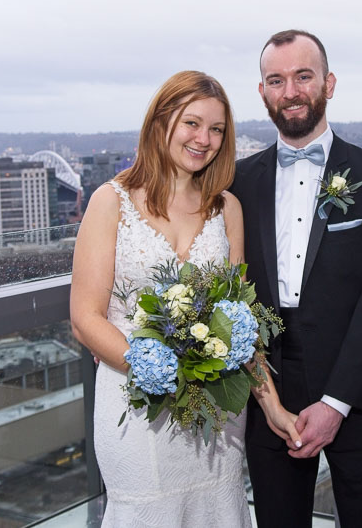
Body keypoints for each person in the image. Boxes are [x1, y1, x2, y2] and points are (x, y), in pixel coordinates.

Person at [70, 70, 301, 527]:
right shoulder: (110, 201)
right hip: (137, 409)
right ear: (161, 122)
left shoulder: (226, 209)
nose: (205, 139)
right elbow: (85, 318)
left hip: (214, 416)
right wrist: (167, 372)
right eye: (192, 123)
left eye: (217, 129)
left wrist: (270, 404)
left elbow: (240, 321)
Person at [232, 31, 362, 528]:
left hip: (358, 393)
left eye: (303, 76)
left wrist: (336, 403)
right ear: (263, 92)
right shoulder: (236, 183)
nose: (290, 90)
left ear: (328, 84)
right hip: (266, 390)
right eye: (276, 80)